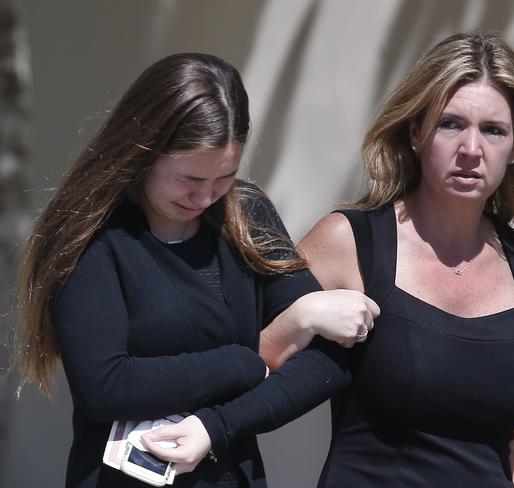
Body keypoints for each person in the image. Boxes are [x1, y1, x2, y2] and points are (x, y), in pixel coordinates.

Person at [143, 32, 514, 487]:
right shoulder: (350, 241)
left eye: (493, 130)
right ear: (416, 131)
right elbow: (251, 361)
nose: (471, 150)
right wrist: (301, 315)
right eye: (450, 124)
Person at [13, 52, 379, 488]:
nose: (205, 197)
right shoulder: (93, 236)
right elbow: (107, 386)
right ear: (143, 152)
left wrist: (217, 426)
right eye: (188, 178)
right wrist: (245, 362)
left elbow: (329, 362)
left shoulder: (246, 214)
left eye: (224, 176)